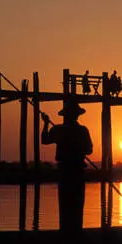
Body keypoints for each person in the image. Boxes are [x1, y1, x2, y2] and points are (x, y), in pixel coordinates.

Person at [41, 99, 93, 235]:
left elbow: (45, 140)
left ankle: (69, 233)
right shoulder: (78, 130)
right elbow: (89, 150)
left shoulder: (60, 130)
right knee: (74, 205)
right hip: (73, 172)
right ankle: (73, 233)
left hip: (69, 172)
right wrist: (46, 123)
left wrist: (46, 124)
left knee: (68, 204)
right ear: (76, 115)